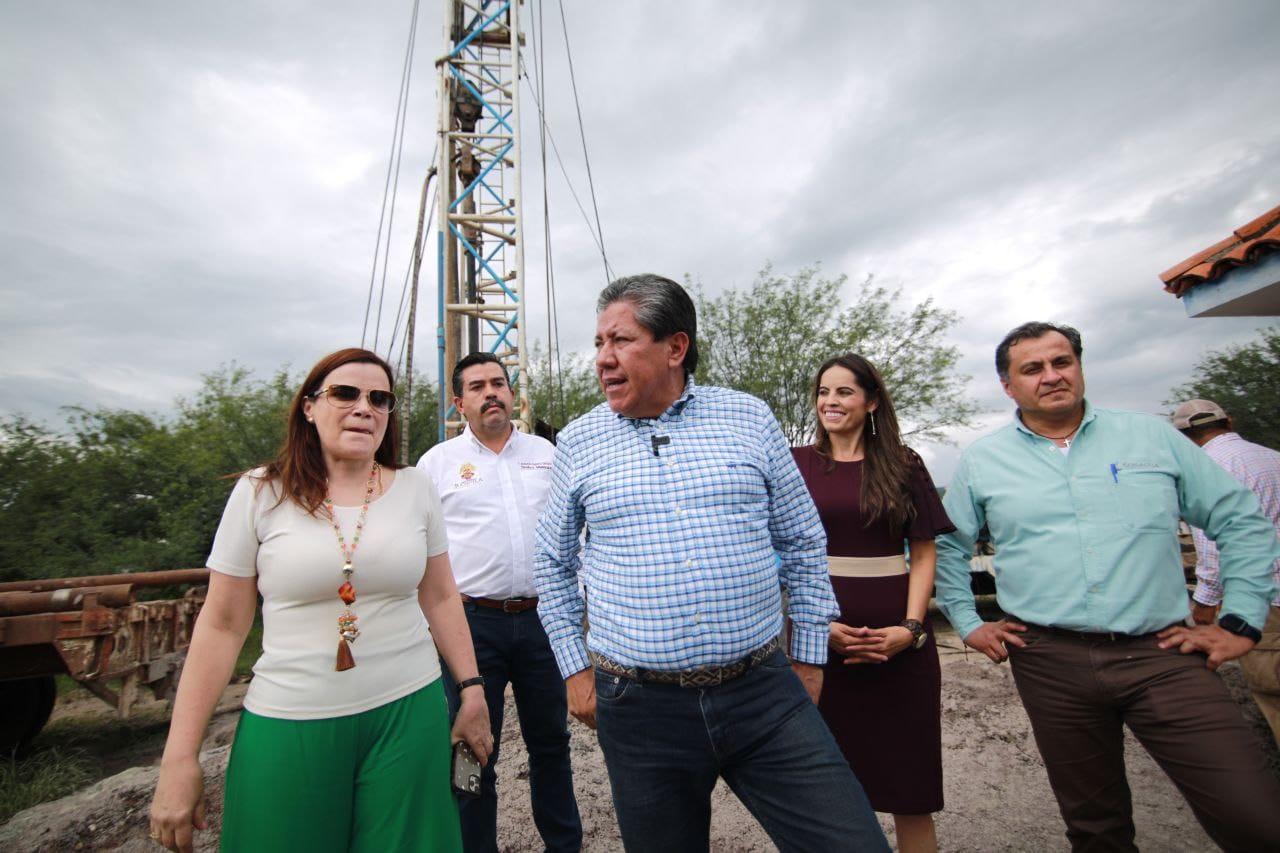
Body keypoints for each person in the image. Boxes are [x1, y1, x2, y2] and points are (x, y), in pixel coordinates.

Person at [533, 274, 889, 853]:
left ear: (675, 347)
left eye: (621, 341)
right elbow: (551, 562)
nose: (603, 359)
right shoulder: (579, 441)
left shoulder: (748, 418)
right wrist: (575, 671)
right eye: (599, 343)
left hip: (764, 694)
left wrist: (808, 659)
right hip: (640, 709)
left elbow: (802, 540)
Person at [934, 322, 1280, 852]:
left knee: (1254, 817)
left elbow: (1241, 521)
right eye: (1033, 368)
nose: (1052, 376)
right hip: (1049, 661)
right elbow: (949, 547)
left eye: (1062, 362)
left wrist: (1241, 621)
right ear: (1008, 385)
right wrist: (967, 620)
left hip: (1163, 654)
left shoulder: (1150, 437)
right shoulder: (983, 459)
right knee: (1095, 828)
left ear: (1079, 366)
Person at [149, 348, 492, 853]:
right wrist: (180, 757)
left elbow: (441, 597)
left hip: (408, 715)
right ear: (309, 407)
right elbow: (222, 625)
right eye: (345, 394)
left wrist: (472, 690)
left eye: (380, 399)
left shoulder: (416, 488)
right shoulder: (260, 493)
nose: (364, 408)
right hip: (290, 721)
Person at [418, 352, 582, 852]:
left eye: (498, 383)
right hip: (470, 625)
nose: (490, 392)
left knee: (551, 743)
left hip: (541, 621)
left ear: (512, 394)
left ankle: (564, 845)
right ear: (459, 403)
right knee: (471, 749)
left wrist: (579, 598)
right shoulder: (436, 464)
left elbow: (576, 530)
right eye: (477, 386)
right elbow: (421, 551)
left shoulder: (548, 454)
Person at [792, 353, 954, 853]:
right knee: (824, 795)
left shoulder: (904, 464)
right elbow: (778, 552)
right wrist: (815, 627)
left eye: (844, 392)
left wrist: (912, 628)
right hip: (820, 647)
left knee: (911, 791)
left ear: (872, 402)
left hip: (900, 648)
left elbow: (923, 552)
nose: (830, 401)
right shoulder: (795, 464)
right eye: (823, 392)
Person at [1172, 398, 1280, 744]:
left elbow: (1213, 549)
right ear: (1229, 421)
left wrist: (1205, 604)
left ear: (1183, 438)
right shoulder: (1272, 457)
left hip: (1265, 600)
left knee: (1274, 694)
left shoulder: (1205, 470)